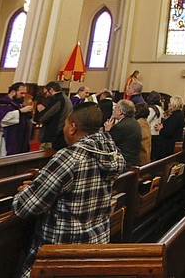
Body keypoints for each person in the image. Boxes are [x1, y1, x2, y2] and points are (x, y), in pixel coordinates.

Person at [13, 103, 126, 278]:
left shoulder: (69, 157)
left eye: (65, 124)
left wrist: (24, 191)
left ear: (72, 128)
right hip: (94, 249)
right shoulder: (112, 153)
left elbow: (25, 207)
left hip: (60, 256)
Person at [104, 99, 142, 167]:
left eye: (115, 108)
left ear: (120, 111)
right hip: (134, 160)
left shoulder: (121, 126)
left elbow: (108, 145)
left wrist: (107, 130)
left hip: (124, 162)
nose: (113, 110)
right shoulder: (134, 122)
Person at [36, 81, 71, 150]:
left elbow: (42, 118)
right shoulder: (66, 98)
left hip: (52, 137)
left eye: (46, 93)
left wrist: (41, 111)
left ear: (51, 90)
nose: (46, 96)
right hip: (60, 136)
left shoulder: (57, 99)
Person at [145, 91, 164, 160]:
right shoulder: (159, 108)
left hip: (151, 133)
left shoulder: (152, 109)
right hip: (156, 133)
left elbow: (146, 120)